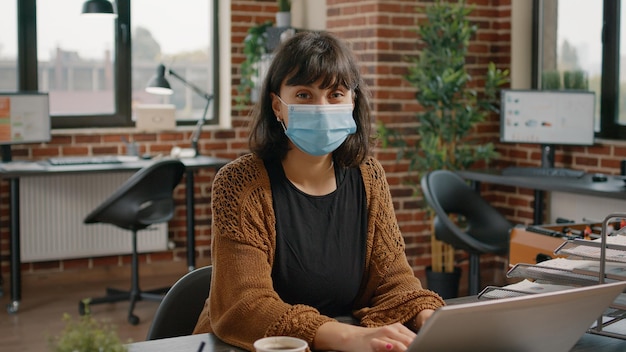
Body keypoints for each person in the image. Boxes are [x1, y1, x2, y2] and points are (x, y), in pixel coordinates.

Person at [193, 30, 445, 352]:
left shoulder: (368, 175)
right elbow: (246, 306)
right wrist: (346, 336)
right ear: (277, 105)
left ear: (352, 101)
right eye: (304, 95)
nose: (322, 107)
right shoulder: (239, 183)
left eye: (336, 94)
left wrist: (429, 318)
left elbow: (392, 279)